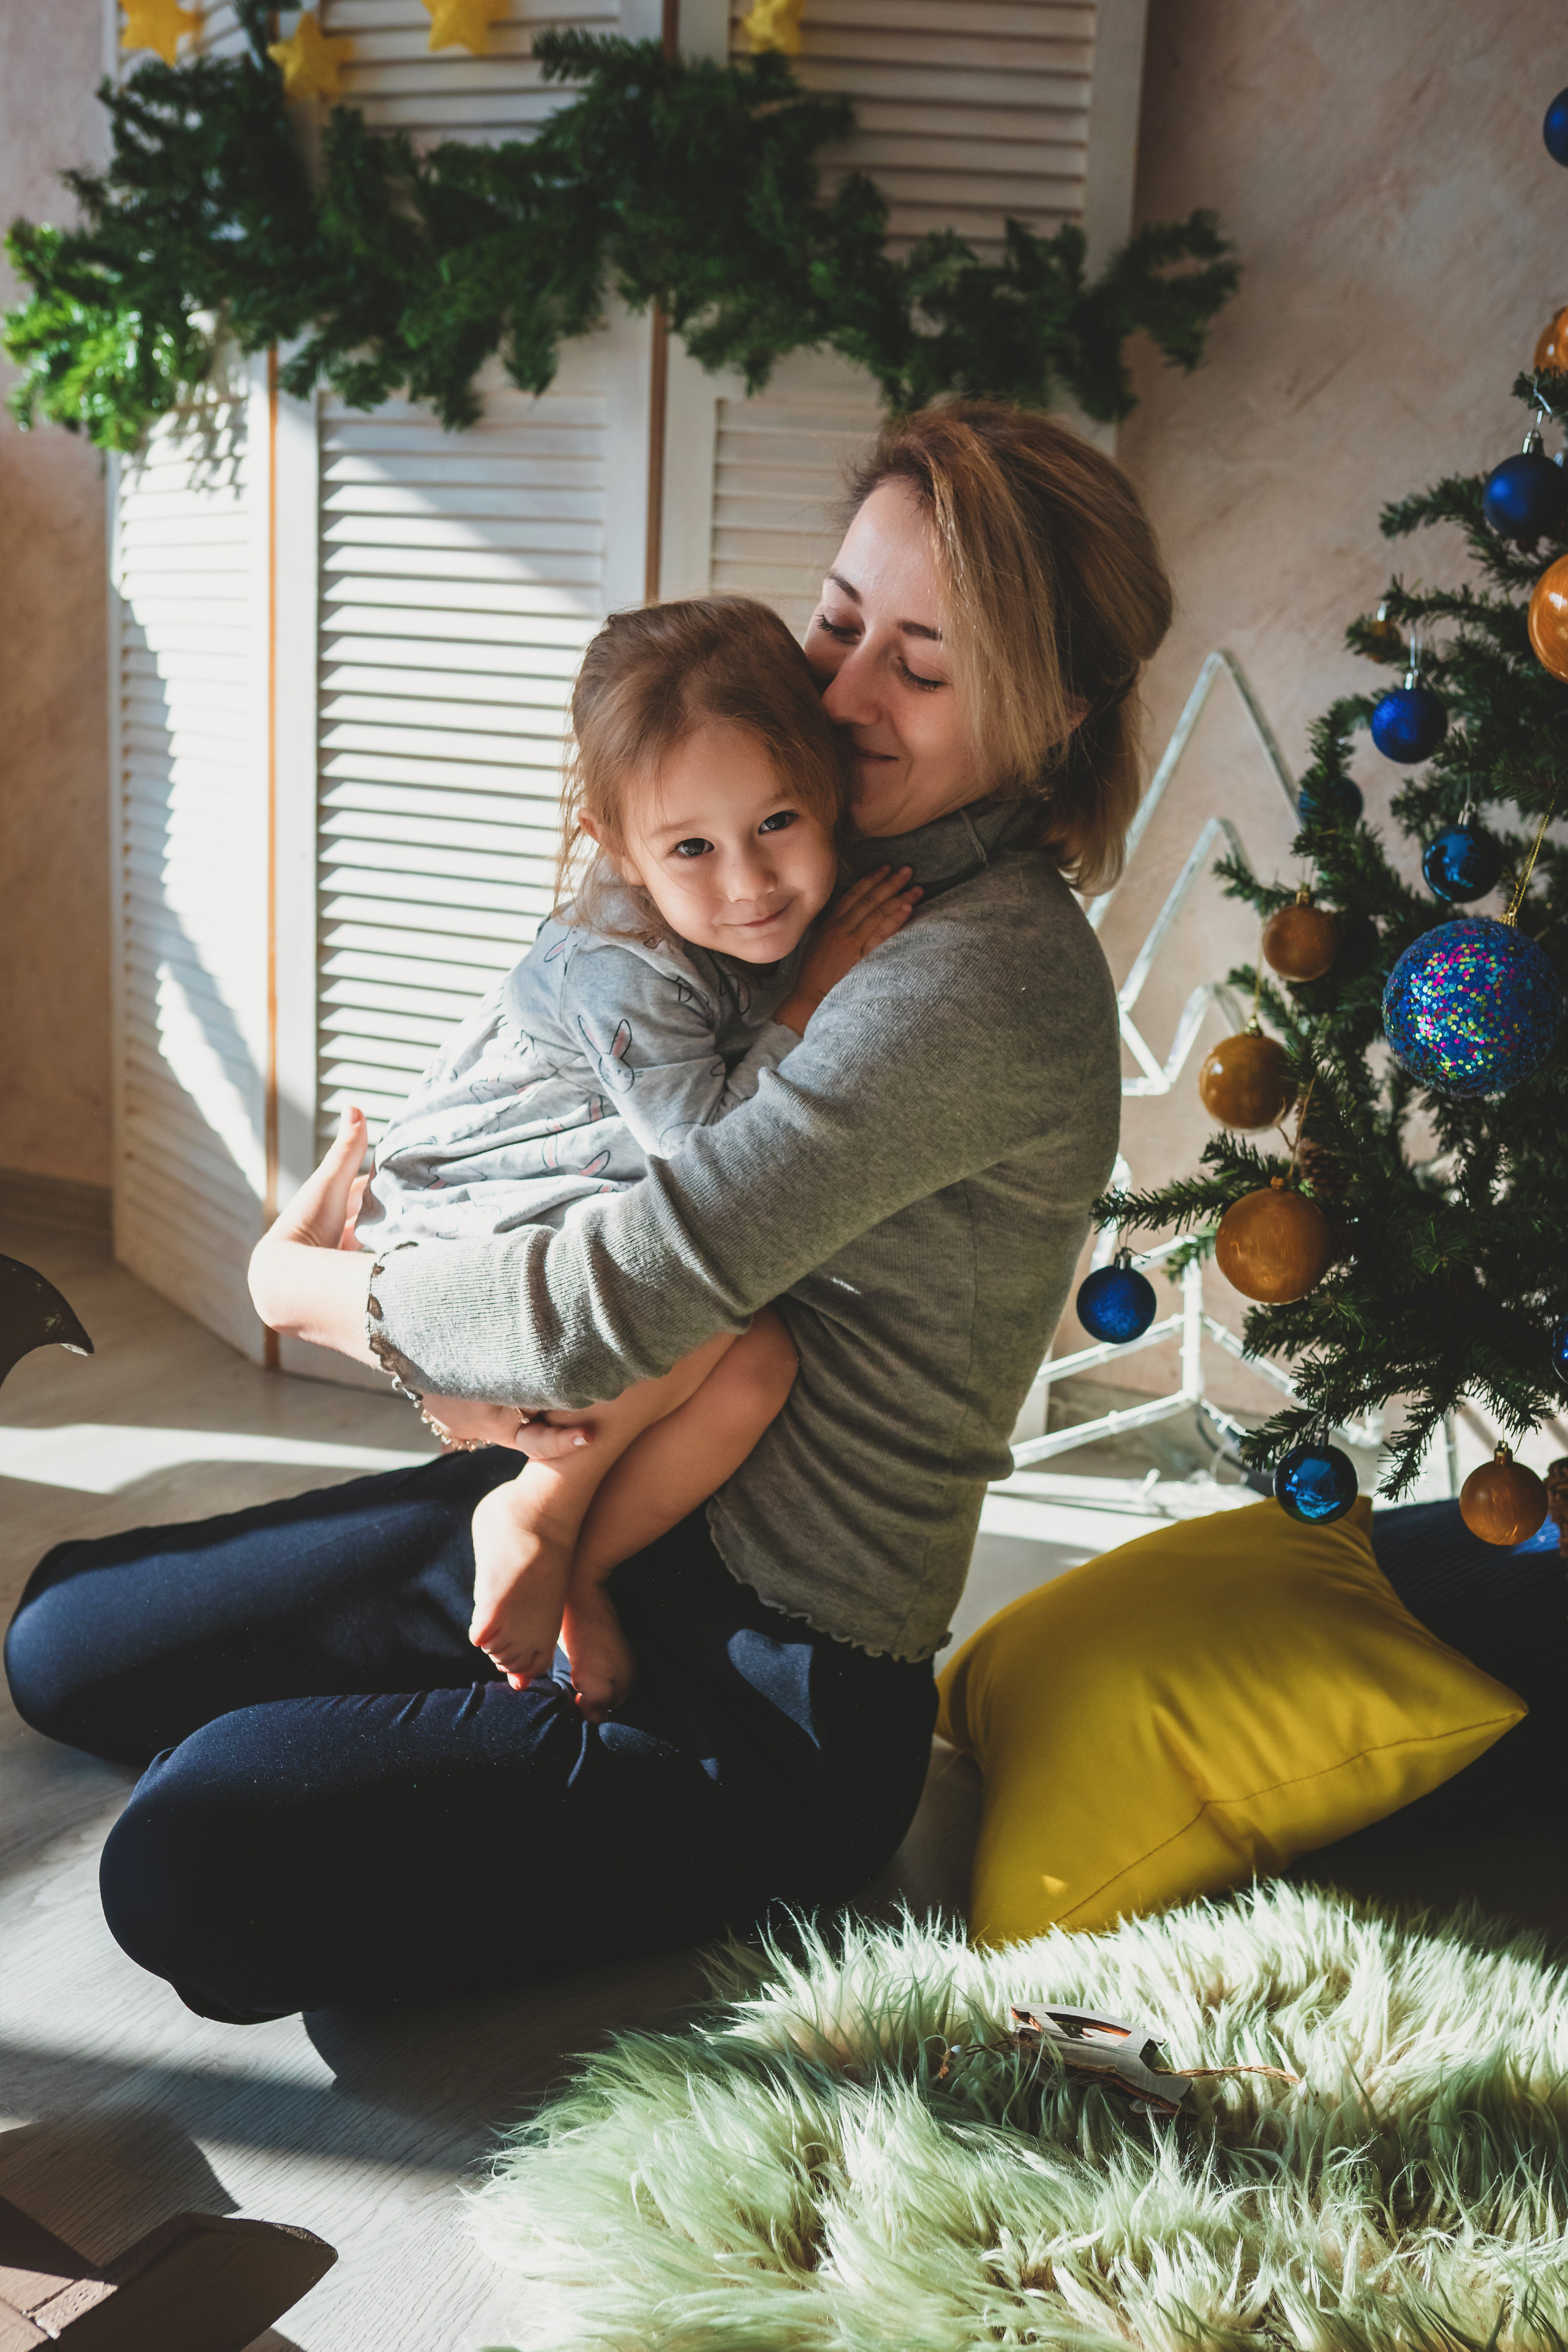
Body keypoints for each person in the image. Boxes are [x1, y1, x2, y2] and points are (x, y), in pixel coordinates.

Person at [6, 402, 1170, 2022]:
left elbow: (629, 1288)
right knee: (60, 1645)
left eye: (925, 661)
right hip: (631, 1482)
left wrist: (307, 1288)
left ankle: (519, 1620)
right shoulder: (814, 858)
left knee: (186, 1864)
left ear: (1052, 707)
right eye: (840, 621)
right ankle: (498, 1564)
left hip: (772, 1676)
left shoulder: (979, 975)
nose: (837, 693)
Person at [354, 596, 920, 1715]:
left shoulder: (747, 914)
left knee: (762, 1363)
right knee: (711, 1301)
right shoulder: (625, 964)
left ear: (832, 795)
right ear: (619, 850)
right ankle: (545, 1500)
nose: (748, 884)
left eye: (779, 823)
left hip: (605, 1187)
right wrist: (808, 1000)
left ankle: (586, 1559)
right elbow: (712, 1161)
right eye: (692, 849)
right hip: (484, 1201)